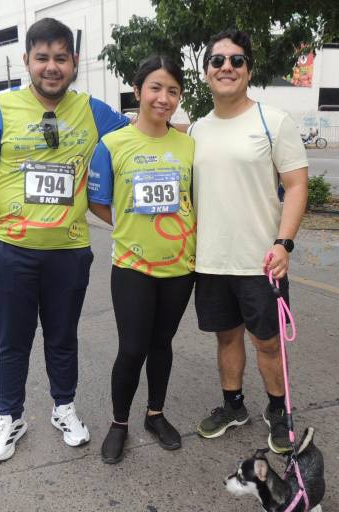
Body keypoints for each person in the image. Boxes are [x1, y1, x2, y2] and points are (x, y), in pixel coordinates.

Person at [0, 17, 130, 462]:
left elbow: (143, 133)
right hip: (11, 253)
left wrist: (200, 135)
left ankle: (64, 408)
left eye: (61, 58)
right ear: (27, 61)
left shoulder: (93, 111)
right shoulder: (1, 108)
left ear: (74, 63)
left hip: (69, 253)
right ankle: (9, 417)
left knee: (62, 337)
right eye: (42, 58)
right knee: (12, 340)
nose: (51, 67)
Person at [189, 29, 309, 454]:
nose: (227, 67)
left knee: (268, 342)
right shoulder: (196, 131)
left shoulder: (272, 121)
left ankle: (278, 410)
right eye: (218, 61)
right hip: (209, 261)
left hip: (261, 262)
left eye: (236, 60)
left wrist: (284, 244)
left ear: (249, 70)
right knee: (226, 338)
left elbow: (296, 186)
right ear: (205, 72)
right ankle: (233, 405)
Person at [88, 55, 196, 464]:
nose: (163, 98)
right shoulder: (113, 144)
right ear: (137, 92)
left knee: (162, 344)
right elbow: (97, 200)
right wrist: (127, 226)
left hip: (180, 266)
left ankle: (156, 414)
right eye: (155, 88)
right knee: (132, 348)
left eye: (172, 91)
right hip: (132, 266)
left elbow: (194, 200)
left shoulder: (188, 145)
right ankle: (119, 423)